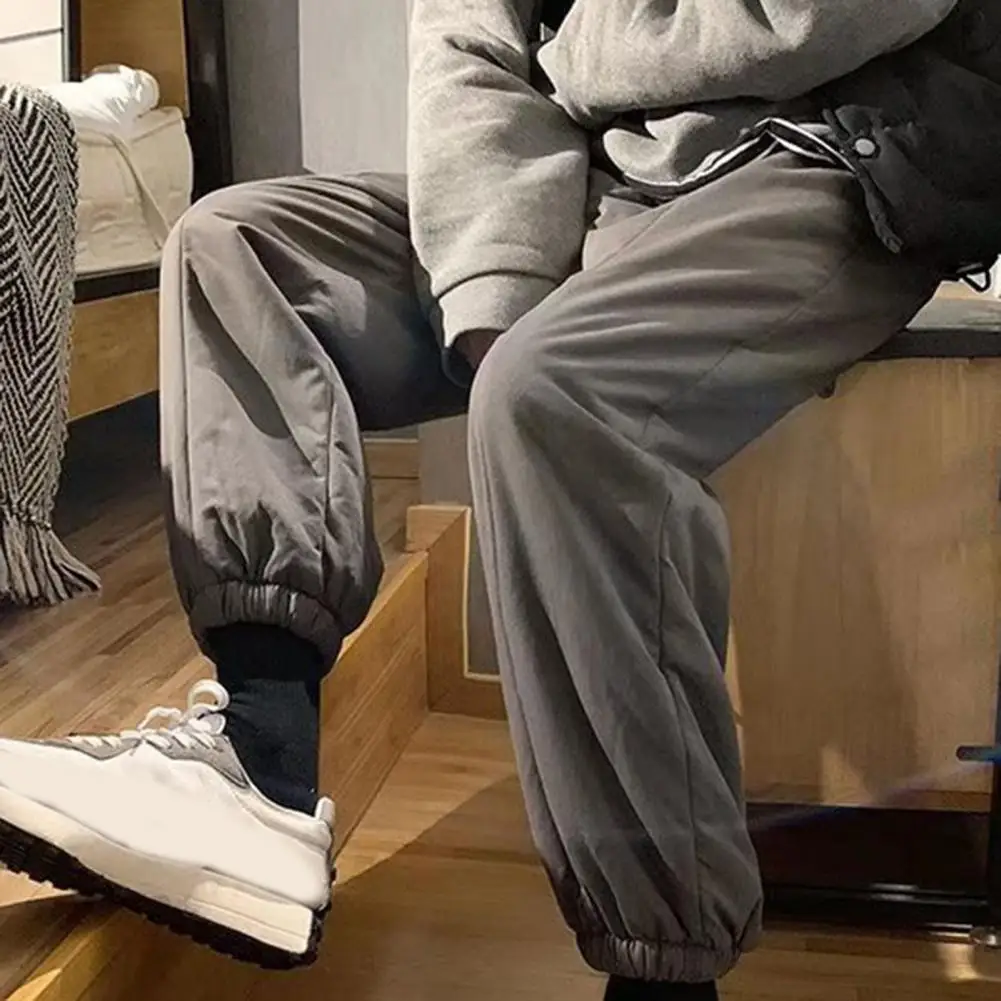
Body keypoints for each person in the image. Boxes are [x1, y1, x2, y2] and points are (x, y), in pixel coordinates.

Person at [0, 0, 998, 997]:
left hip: (830, 157)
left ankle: (664, 969)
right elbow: (468, 45)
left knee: (553, 397)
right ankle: (260, 766)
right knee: (235, 245)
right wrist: (497, 286)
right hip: (603, 178)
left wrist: (572, 53)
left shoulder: (611, 65)